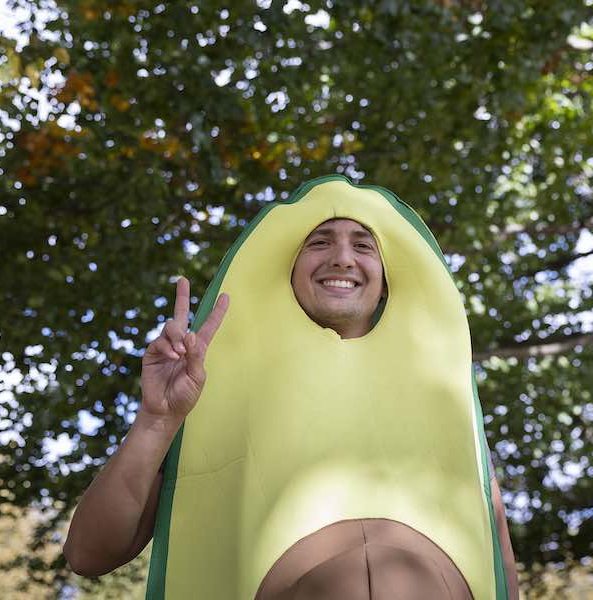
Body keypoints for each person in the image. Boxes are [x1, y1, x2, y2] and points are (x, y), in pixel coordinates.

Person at [64, 180, 519, 599]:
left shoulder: (446, 407)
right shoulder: (214, 392)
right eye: (319, 243)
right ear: (289, 270)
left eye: (363, 246)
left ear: (384, 282)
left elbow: (497, 561)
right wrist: (156, 421)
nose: (342, 258)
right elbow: (88, 554)